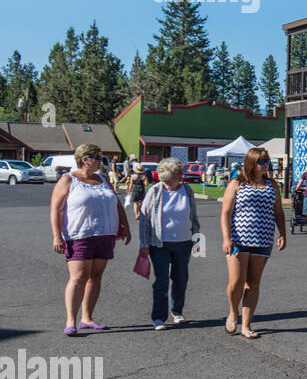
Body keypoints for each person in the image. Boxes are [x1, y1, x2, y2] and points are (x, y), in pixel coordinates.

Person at [49, 143, 131, 336]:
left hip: (105, 234)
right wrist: (56, 235)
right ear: (85, 160)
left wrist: (125, 225)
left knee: (95, 277)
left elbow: (116, 203)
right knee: (78, 277)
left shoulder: (102, 179)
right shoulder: (68, 179)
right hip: (79, 235)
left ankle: (87, 318)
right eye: (98, 158)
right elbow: (56, 209)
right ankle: (71, 321)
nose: (101, 162)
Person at [220, 146, 286, 339]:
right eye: (262, 162)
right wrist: (226, 238)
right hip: (238, 239)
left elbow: (279, 211)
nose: (266, 165)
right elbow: (226, 212)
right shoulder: (237, 183)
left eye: (268, 162)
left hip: (263, 239)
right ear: (251, 163)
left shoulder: (272, 185)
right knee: (236, 282)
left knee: (253, 284)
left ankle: (246, 325)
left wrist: (282, 233)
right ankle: (233, 312)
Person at [138, 157, 200, 330]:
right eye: (177, 172)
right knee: (162, 280)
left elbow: (193, 215)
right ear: (167, 175)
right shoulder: (155, 191)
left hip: (184, 242)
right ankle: (158, 317)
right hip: (159, 244)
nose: (181, 174)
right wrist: (143, 244)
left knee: (181, 278)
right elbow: (144, 219)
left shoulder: (187, 190)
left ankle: (177, 311)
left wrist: (197, 238)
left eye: (180, 171)